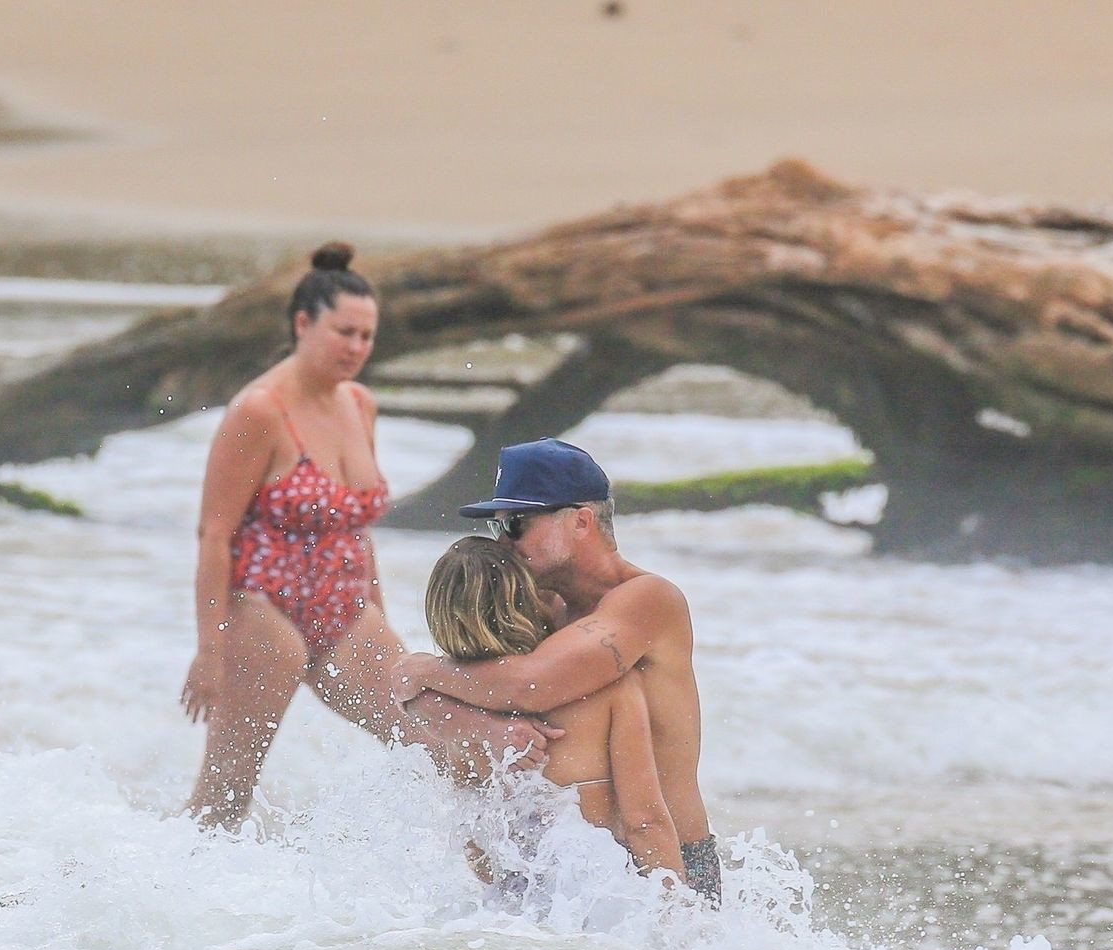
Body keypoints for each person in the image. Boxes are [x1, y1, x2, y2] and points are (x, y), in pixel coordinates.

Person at [181, 243, 549, 826]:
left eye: (367, 336)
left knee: (442, 746)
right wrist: (209, 649)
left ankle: (512, 870)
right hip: (261, 609)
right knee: (225, 795)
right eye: (344, 332)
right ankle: (143, 874)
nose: (356, 347)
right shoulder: (259, 411)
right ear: (303, 324)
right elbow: (213, 533)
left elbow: (357, 527)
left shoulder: (359, 404)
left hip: (343, 607)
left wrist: (377, 610)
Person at [391, 439, 720, 900]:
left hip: (670, 864)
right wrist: (481, 727)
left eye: (515, 524)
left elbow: (530, 685)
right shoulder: (542, 607)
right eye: (497, 525)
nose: (503, 542)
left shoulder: (648, 599)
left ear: (581, 521)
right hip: (568, 867)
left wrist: (423, 671)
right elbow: (424, 699)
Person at [424, 536, 684, 887]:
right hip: (607, 897)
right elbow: (644, 822)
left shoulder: (460, 716)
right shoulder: (610, 691)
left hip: (517, 905)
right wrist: (678, 909)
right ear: (527, 602)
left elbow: (477, 847)